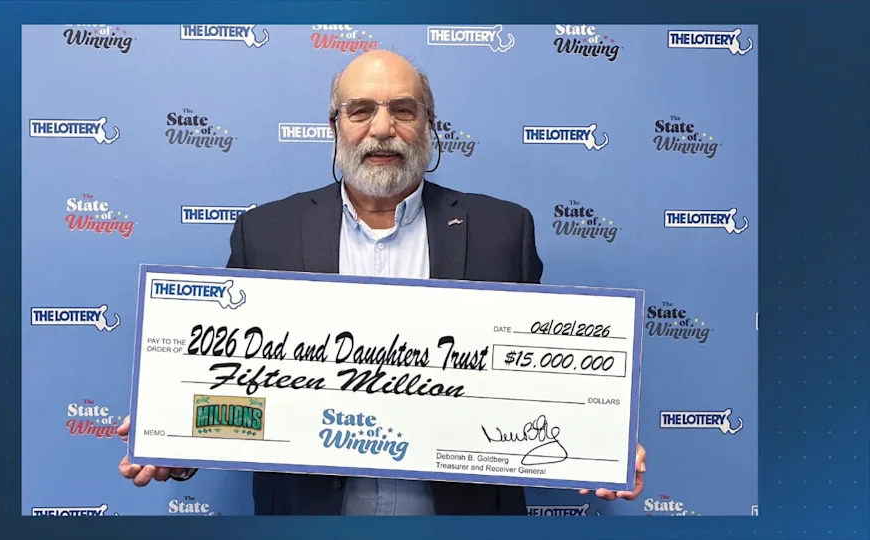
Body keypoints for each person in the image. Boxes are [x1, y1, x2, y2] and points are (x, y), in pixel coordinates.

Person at [117, 49, 646, 515]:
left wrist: (600, 441)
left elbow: (537, 375)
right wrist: (174, 443)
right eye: (361, 110)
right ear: (335, 126)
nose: (382, 127)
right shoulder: (265, 232)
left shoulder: (503, 230)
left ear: (429, 124)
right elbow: (227, 380)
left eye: (403, 110)